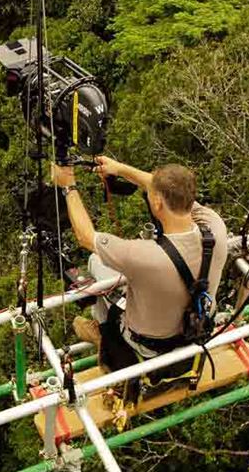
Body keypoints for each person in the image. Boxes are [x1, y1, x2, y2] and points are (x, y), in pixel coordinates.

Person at [50, 156, 228, 398]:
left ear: (157, 203)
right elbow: (161, 188)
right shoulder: (215, 228)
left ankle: (101, 330)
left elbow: (85, 236)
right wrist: (121, 168)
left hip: (147, 346)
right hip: (195, 330)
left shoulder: (143, 255)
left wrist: (68, 185)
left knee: (96, 263)